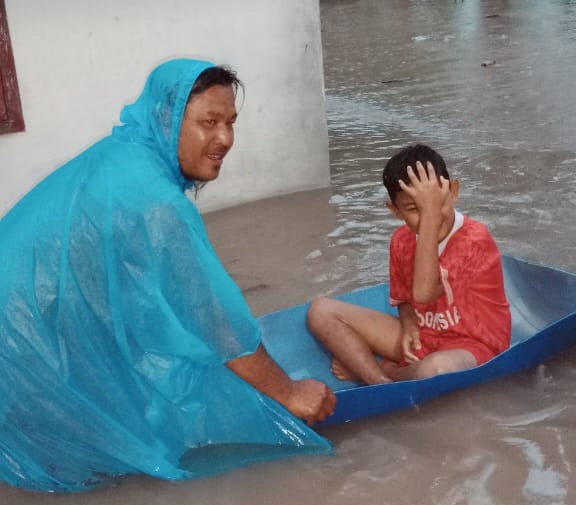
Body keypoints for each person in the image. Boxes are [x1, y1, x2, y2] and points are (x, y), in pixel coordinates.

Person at [0, 59, 335, 493]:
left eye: (231, 123)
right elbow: (213, 319)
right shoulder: (157, 202)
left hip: (25, 316)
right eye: (208, 122)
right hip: (18, 340)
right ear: (166, 117)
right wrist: (289, 392)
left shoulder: (125, 154)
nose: (225, 139)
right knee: (86, 466)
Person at [307, 144, 511, 385]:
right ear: (395, 211)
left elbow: (424, 292)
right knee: (320, 311)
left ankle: (384, 372)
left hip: (474, 344)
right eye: (415, 209)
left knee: (434, 370)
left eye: (437, 203)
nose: (430, 216)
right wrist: (408, 323)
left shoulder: (475, 240)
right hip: (424, 336)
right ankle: (377, 380)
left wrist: (429, 216)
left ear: (453, 191)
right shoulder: (401, 240)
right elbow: (405, 299)